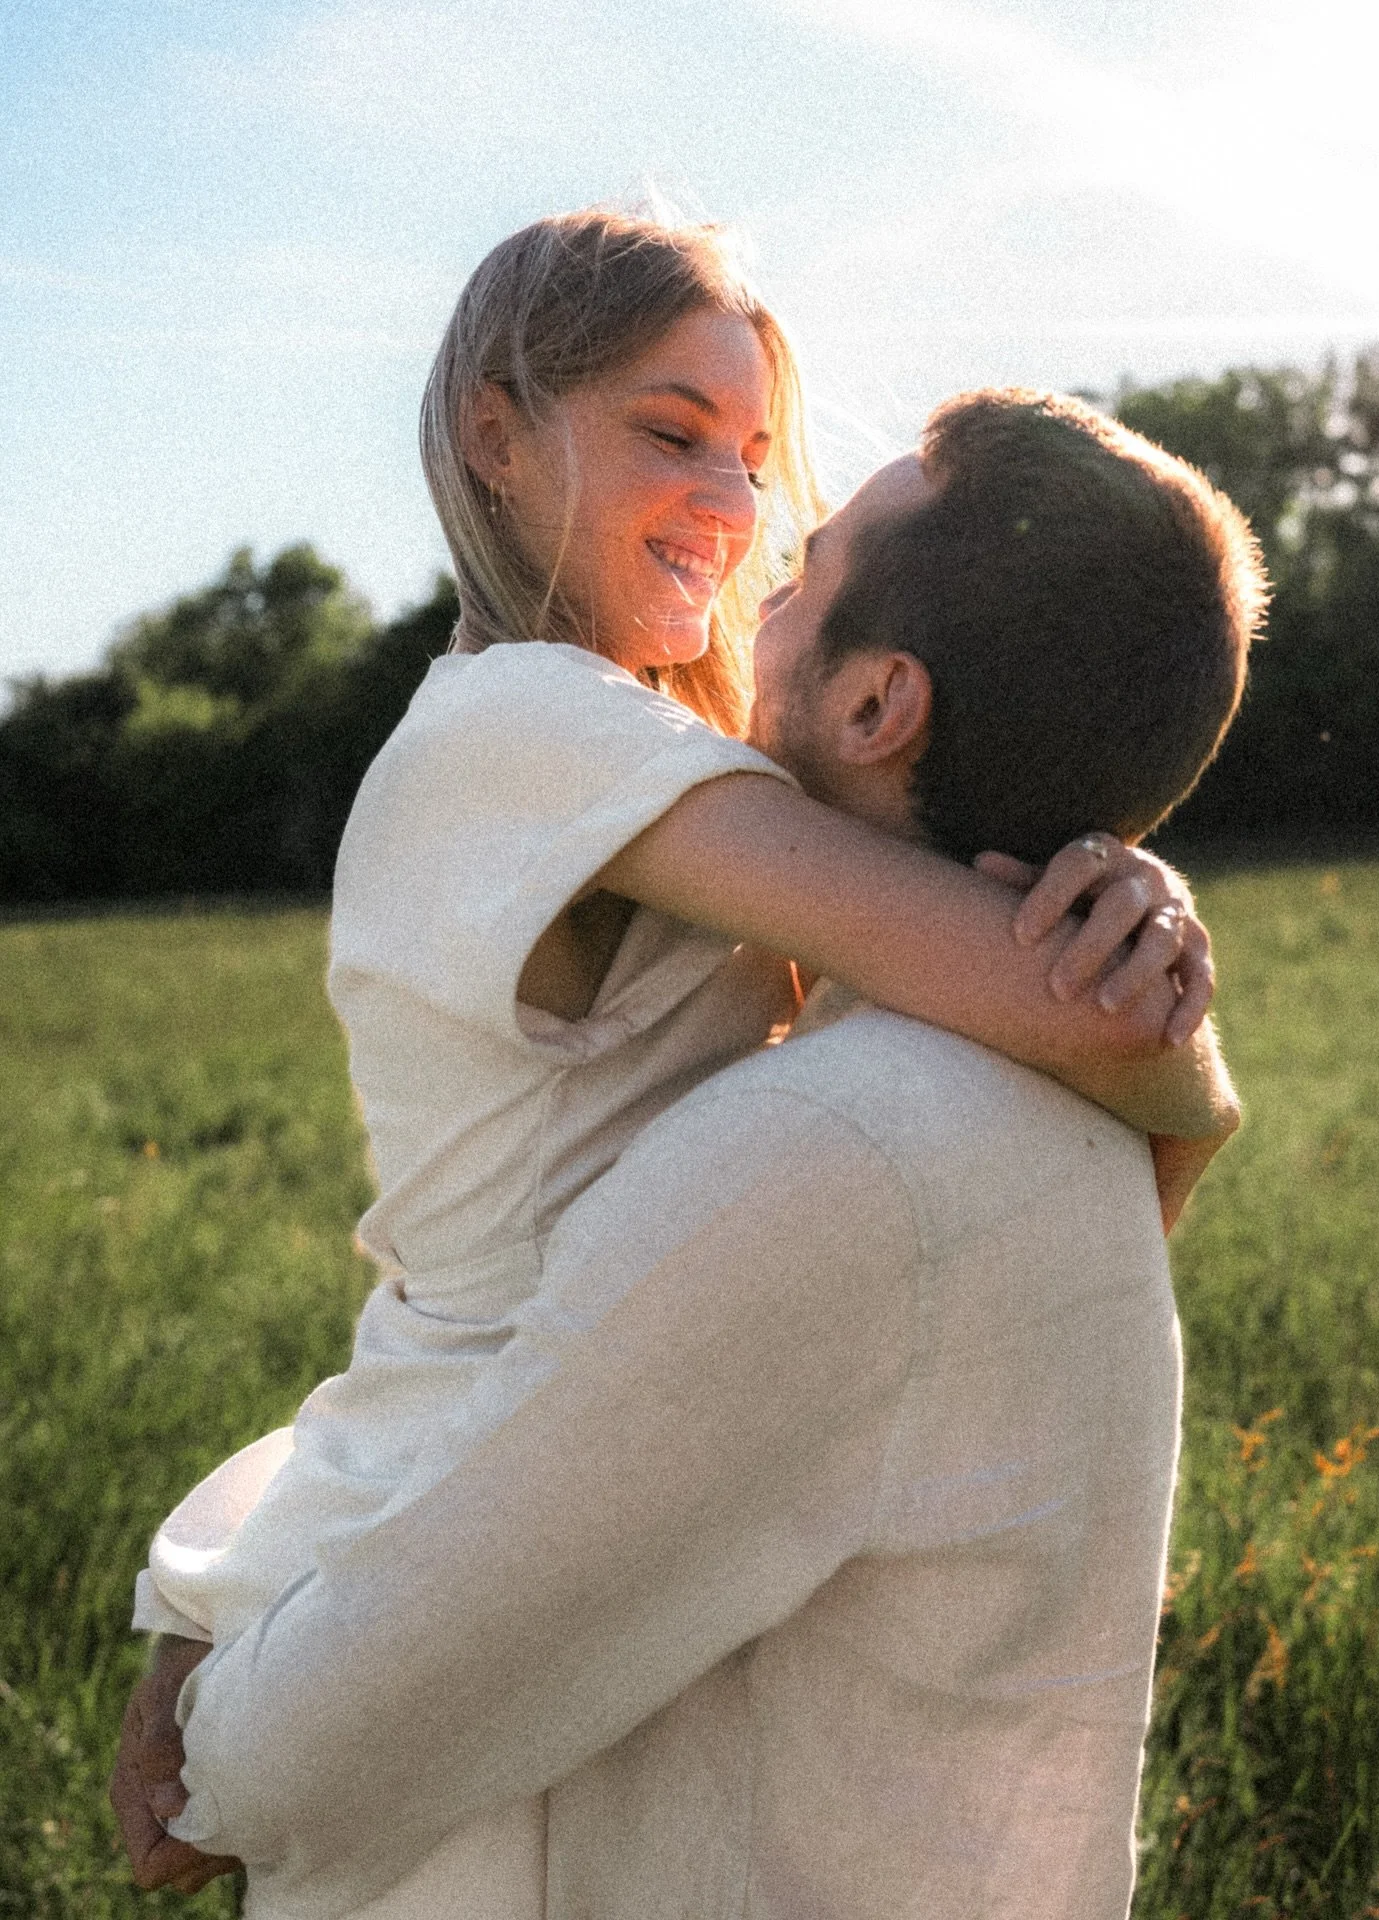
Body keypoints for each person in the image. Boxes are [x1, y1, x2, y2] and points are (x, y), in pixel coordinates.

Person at [111, 382, 1266, 1917]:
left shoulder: (839, 1147)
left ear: (874, 706)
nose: (749, 589)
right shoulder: (1050, 1100)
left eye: (801, 579)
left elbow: (384, 1690)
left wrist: (207, 1723)